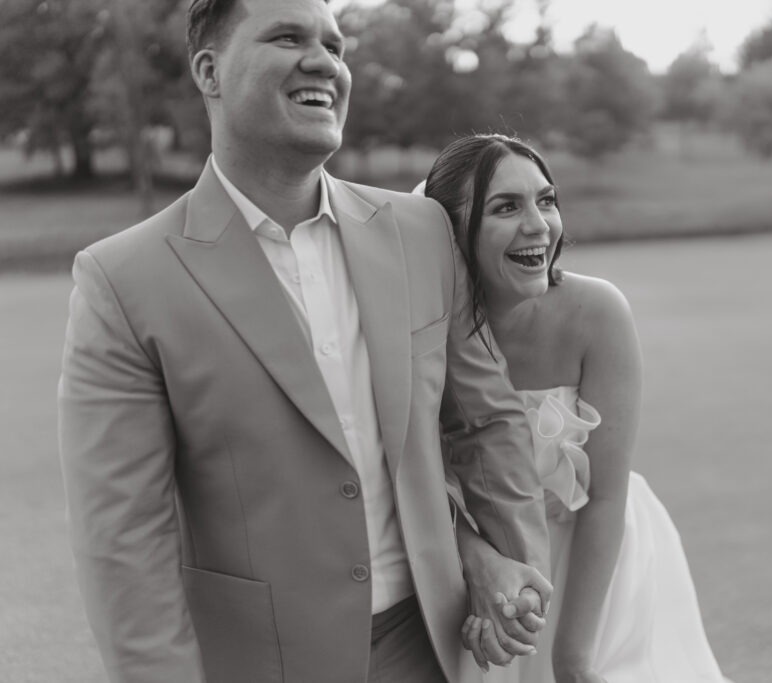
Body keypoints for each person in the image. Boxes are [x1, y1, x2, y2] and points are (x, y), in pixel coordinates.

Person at [57, 2, 551, 682]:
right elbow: (122, 541)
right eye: (287, 37)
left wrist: (511, 568)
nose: (324, 61)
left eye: (334, 45)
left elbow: (487, 422)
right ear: (210, 70)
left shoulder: (423, 233)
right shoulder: (121, 279)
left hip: (435, 648)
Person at [423, 134, 729, 683]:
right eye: (506, 207)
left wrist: (573, 656)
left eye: (546, 199)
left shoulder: (597, 312)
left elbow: (607, 494)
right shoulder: (422, 331)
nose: (539, 224)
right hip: (479, 578)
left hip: (598, 566)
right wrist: (472, 560)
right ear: (450, 231)